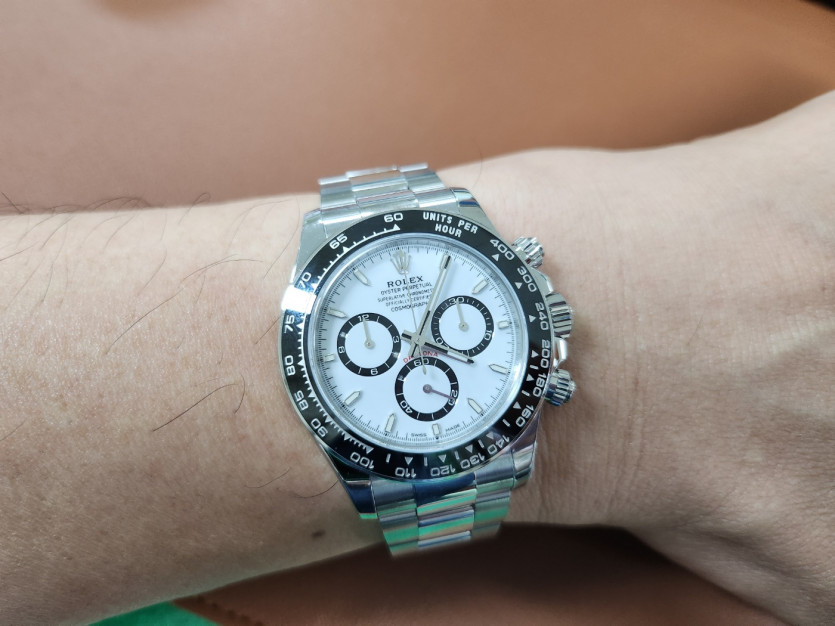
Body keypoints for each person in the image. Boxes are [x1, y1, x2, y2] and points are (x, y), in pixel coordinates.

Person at [0, 89, 832, 623]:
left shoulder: (502, 314)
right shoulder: (321, 323)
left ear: (540, 312)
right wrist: (635, 370)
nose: (425, 344)